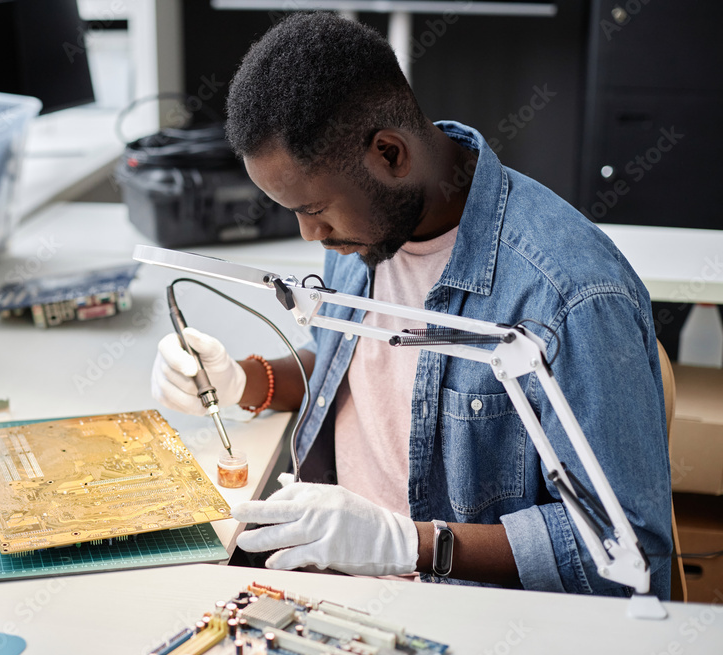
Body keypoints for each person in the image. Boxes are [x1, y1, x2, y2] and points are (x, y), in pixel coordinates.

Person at [151, 12, 672, 599]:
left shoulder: (571, 296)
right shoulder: (367, 228)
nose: (308, 234)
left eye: (314, 208)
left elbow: (630, 558)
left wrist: (408, 544)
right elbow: (364, 370)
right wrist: (240, 380)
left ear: (390, 154)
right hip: (339, 580)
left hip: (460, 610)